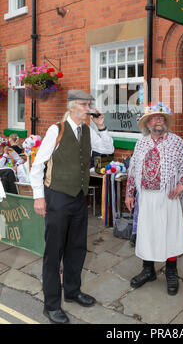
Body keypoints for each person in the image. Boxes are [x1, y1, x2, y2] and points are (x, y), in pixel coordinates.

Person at [30, 89, 114, 324]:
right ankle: (51, 305)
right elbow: (37, 166)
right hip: (57, 197)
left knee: (77, 248)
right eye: (84, 104)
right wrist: (39, 197)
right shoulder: (56, 130)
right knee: (53, 252)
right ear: (71, 106)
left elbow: (107, 150)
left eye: (90, 104)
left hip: (78, 197)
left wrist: (102, 126)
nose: (89, 108)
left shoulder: (87, 130)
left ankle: (73, 291)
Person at [125, 102, 183, 296]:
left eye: (162, 118)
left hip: (168, 198)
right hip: (146, 198)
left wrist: (181, 184)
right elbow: (133, 170)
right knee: (147, 233)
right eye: (154, 118)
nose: (158, 121)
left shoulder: (176, 142)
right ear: (147, 124)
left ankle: (171, 273)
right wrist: (129, 193)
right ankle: (148, 270)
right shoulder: (141, 143)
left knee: (170, 234)